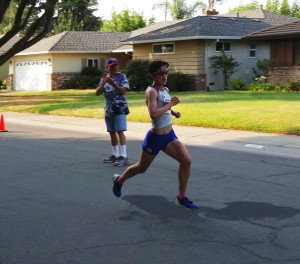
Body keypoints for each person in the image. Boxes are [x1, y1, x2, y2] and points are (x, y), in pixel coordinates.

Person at [112, 59, 198, 209]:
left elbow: (164, 106)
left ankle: (181, 197)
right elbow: (153, 114)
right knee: (141, 168)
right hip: (156, 137)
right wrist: (171, 104)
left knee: (187, 161)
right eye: (160, 74)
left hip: (169, 135)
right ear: (152, 75)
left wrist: (173, 111)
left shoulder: (165, 90)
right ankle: (119, 180)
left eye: (166, 72)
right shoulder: (151, 91)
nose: (164, 76)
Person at [96, 58, 129, 167]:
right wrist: (103, 83)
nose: (113, 67)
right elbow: (97, 92)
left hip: (119, 108)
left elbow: (123, 90)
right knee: (112, 132)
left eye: (115, 65)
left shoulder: (122, 77)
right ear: (107, 67)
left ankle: (123, 156)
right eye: (111, 66)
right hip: (109, 109)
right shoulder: (105, 78)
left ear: (118, 66)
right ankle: (115, 155)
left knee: (120, 131)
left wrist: (113, 83)